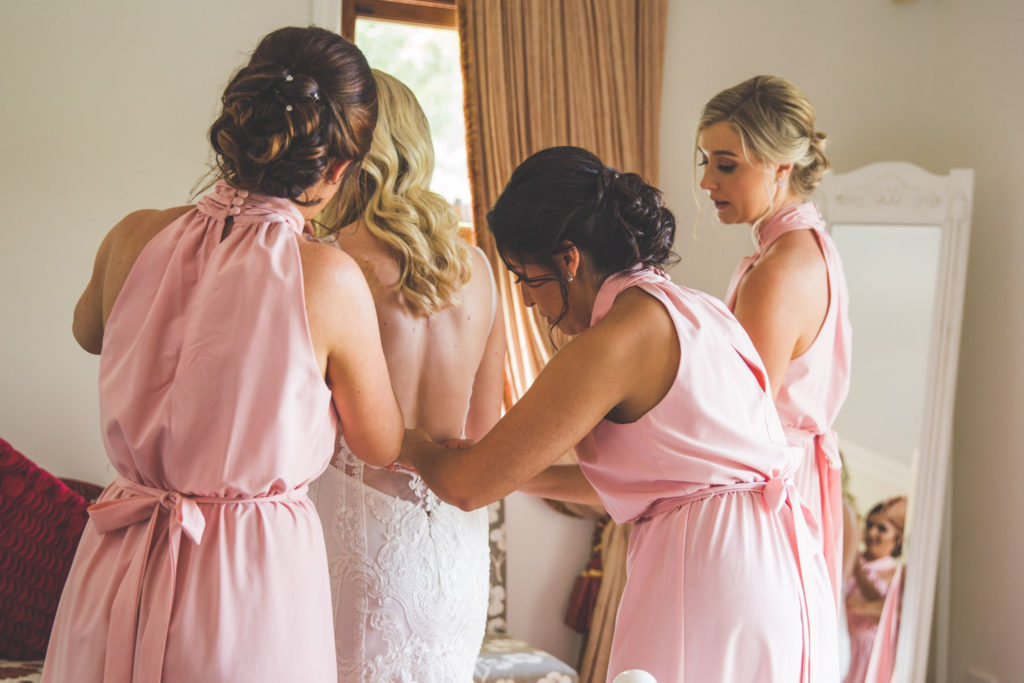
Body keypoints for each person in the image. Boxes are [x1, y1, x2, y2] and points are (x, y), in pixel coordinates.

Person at [43, 27, 403, 683]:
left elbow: (87, 330)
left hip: (117, 558)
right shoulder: (326, 278)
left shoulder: (134, 233)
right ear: (339, 168)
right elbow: (380, 441)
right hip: (247, 575)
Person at [401, 146, 838, 682]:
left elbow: (466, 486)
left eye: (526, 279)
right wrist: (515, 472)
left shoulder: (618, 340)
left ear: (569, 259)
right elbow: (646, 480)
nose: (530, 303)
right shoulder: (696, 309)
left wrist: (410, 442)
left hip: (707, 575)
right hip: (778, 570)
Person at [310, 70, 505, 682]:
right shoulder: (476, 265)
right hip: (453, 538)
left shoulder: (330, 262)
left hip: (354, 531)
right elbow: (485, 426)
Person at [697, 74, 852, 603]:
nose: (706, 182)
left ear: (781, 166)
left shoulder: (781, 271)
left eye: (726, 165)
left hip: (770, 495)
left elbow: (744, 427)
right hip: (791, 477)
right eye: (705, 162)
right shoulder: (806, 247)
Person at [844, 496, 906, 683]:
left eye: (882, 528)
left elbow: (893, 614)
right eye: (870, 525)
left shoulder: (896, 574)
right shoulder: (850, 557)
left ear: (897, 538)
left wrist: (857, 569)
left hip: (866, 653)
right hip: (839, 638)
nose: (872, 532)